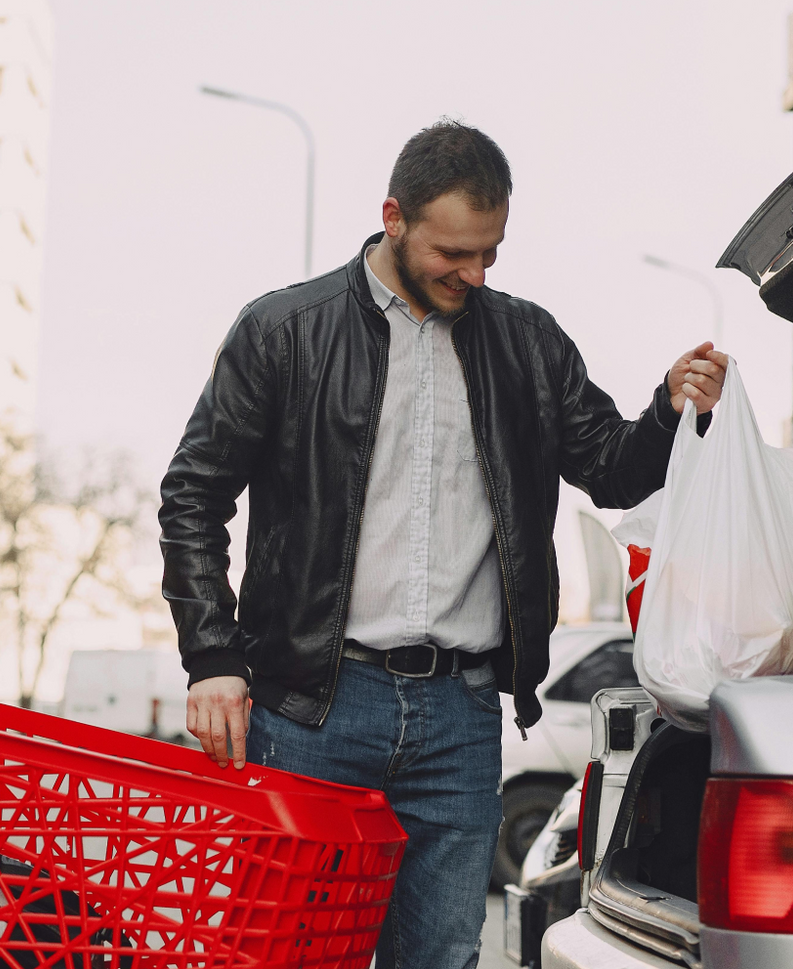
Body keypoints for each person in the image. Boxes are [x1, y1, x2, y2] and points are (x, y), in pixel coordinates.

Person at [159, 120, 728, 968]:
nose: (474, 274)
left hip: (459, 716)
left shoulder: (527, 343)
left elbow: (610, 467)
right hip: (313, 707)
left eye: (491, 253)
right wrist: (212, 655)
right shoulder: (285, 331)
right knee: (299, 955)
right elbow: (194, 493)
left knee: (442, 959)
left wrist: (670, 408)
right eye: (454, 252)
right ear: (393, 217)